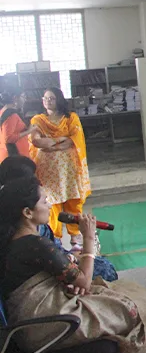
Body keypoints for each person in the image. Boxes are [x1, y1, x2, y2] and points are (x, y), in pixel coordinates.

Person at [0, 176, 146, 353]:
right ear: (27, 212)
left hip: (36, 323)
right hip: (48, 325)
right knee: (145, 311)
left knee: (131, 294)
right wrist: (88, 238)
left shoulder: (15, 241)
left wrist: (76, 277)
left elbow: (70, 278)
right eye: (44, 201)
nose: (50, 205)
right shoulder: (36, 245)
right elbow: (83, 281)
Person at [29, 88, 91, 250]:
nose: (48, 101)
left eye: (52, 98)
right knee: (51, 204)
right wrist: (61, 138)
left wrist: (52, 144)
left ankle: (75, 240)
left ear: (59, 100)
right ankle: (54, 239)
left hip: (69, 169)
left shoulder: (71, 118)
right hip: (48, 170)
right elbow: (36, 142)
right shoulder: (38, 120)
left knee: (73, 202)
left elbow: (74, 140)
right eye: (45, 98)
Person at [0, 89, 37, 163]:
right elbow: (8, 138)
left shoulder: (2, 111)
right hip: (15, 155)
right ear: (15, 98)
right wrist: (29, 131)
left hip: (7, 153)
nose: (25, 99)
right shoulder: (11, 114)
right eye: (23, 96)